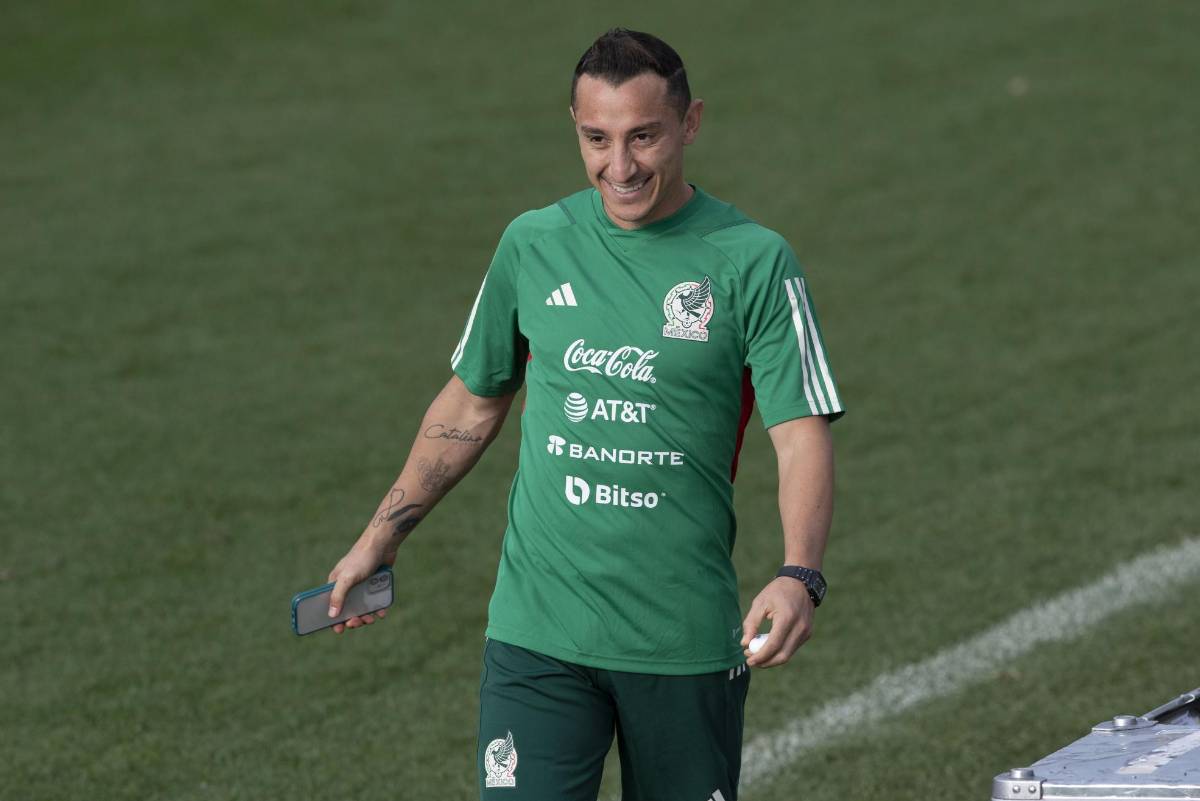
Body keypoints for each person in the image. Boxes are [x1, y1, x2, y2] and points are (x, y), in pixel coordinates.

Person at [325, 27, 844, 801]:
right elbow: (473, 399)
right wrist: (381, 535)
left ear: (691, 122)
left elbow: (800, 433)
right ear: (574, 125)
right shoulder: (534, 244)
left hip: (680, 638)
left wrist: (800, 572)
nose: (620, 166)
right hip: (537, 631)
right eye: (597, 139)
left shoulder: (754, 261)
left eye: (644, 136)